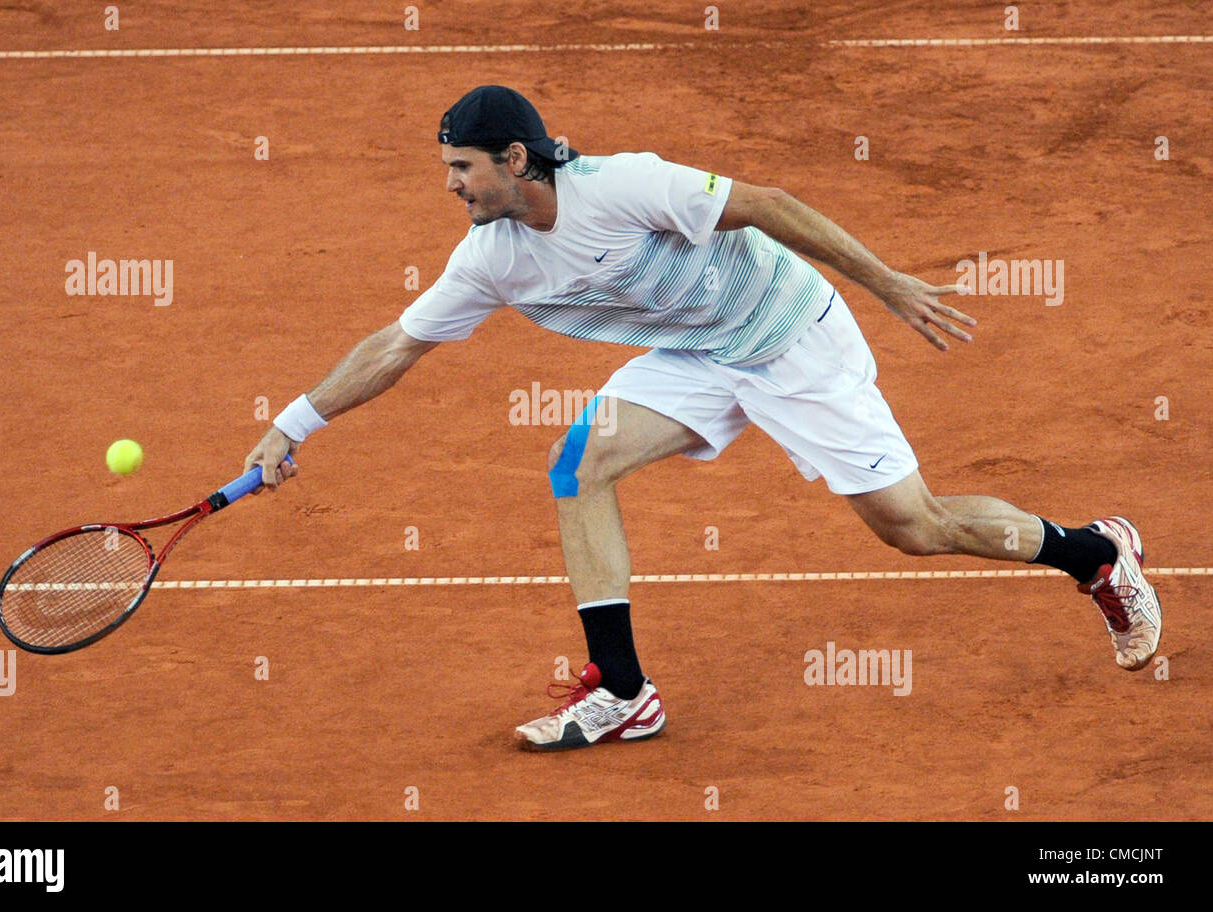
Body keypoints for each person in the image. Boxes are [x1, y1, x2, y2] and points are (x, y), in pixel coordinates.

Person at [244, 85, 1161, 752]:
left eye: (461, 168)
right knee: (579, 466)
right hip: (700, 356)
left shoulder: (626, 186)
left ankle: (1094, 553)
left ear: (514, 161)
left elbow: (767, 205)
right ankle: (626, 691)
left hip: (790, 335)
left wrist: (885, 283)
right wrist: (292, 423)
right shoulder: (490, 258)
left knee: (916, 528)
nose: (450, 185)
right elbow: (397, 345)